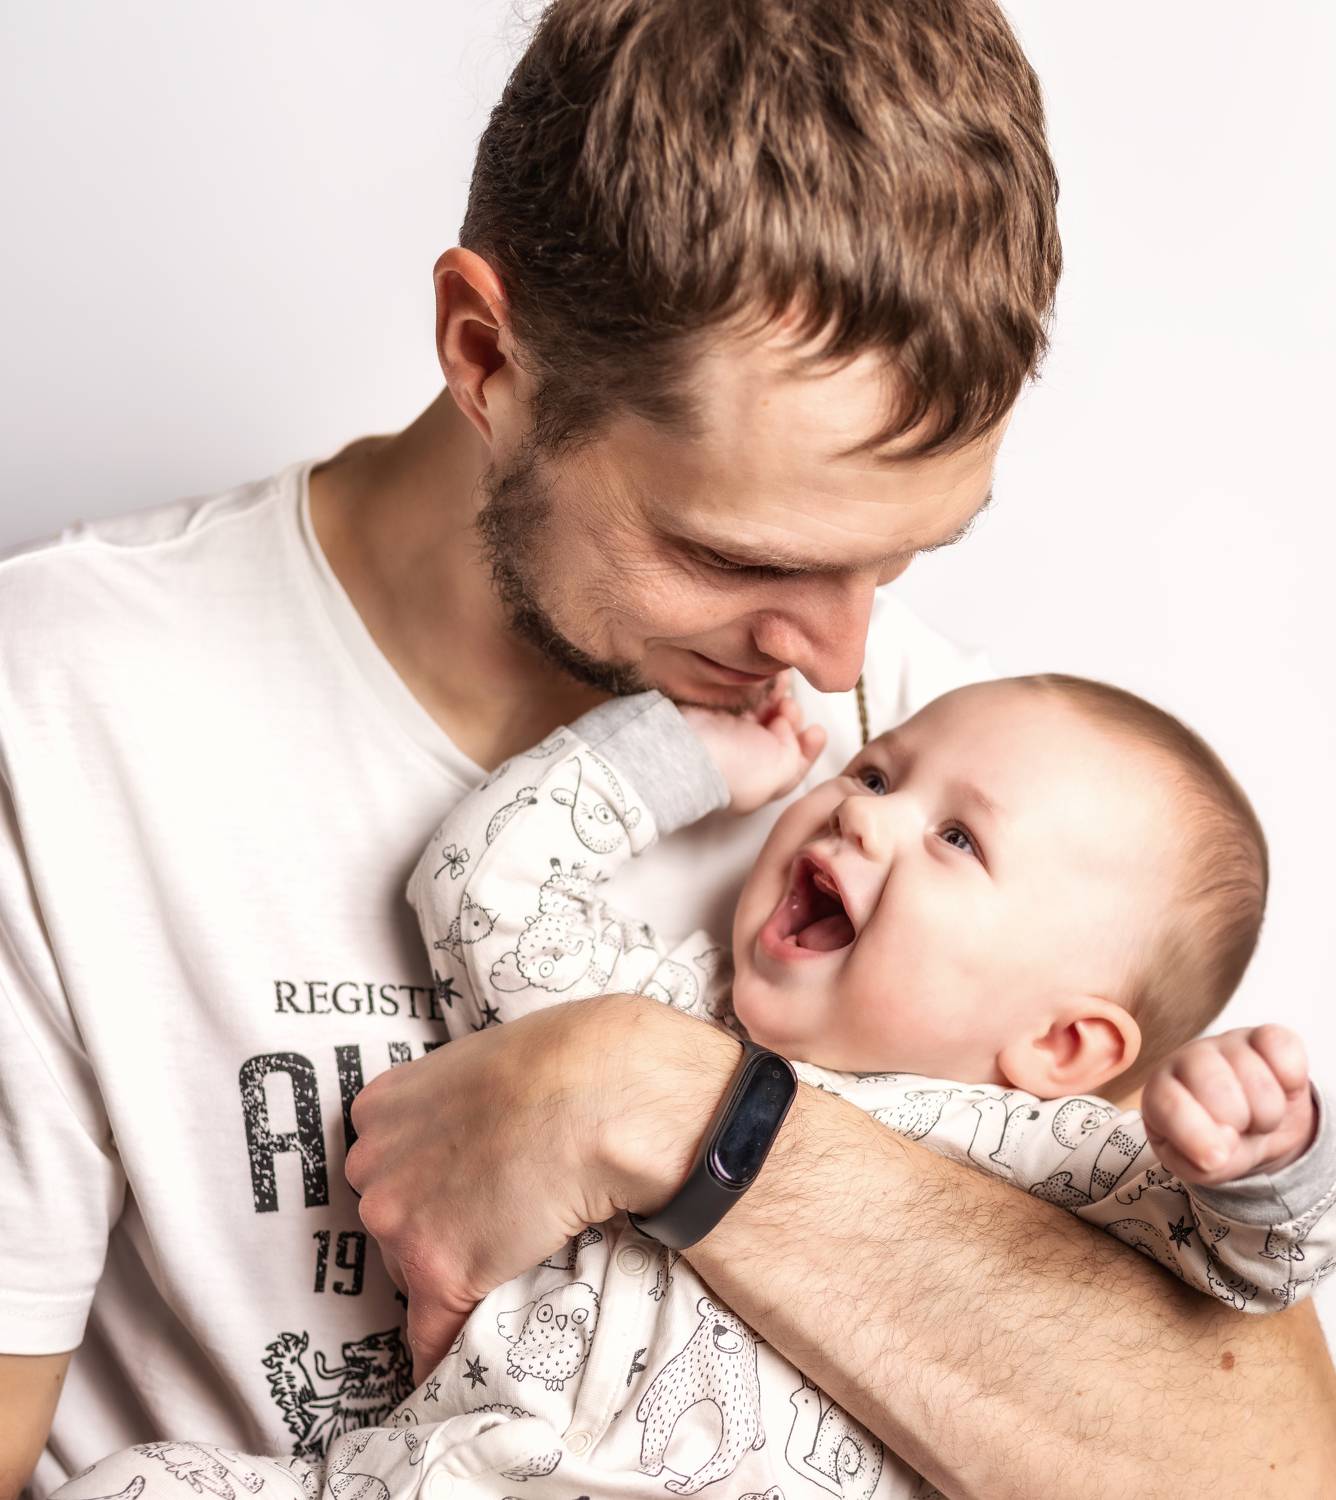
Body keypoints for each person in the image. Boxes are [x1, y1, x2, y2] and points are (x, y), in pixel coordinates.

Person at [2, 1, 1333, 1496]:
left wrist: (646, 1100)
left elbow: (1263, 1470)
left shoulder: (977, 770)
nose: (839, 662)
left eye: (901, 558)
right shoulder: (60, 714)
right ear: (485, 354)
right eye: (735, 556)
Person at [52, 675, 1334, 1500]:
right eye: (876, 772)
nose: (863, 817)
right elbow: (482, 890)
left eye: (956, 838)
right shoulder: (651, 1005)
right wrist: (671, 760)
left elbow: (1242, 1274)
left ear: (1062, 1046)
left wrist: (1258, 1156)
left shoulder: (1055, 1158)